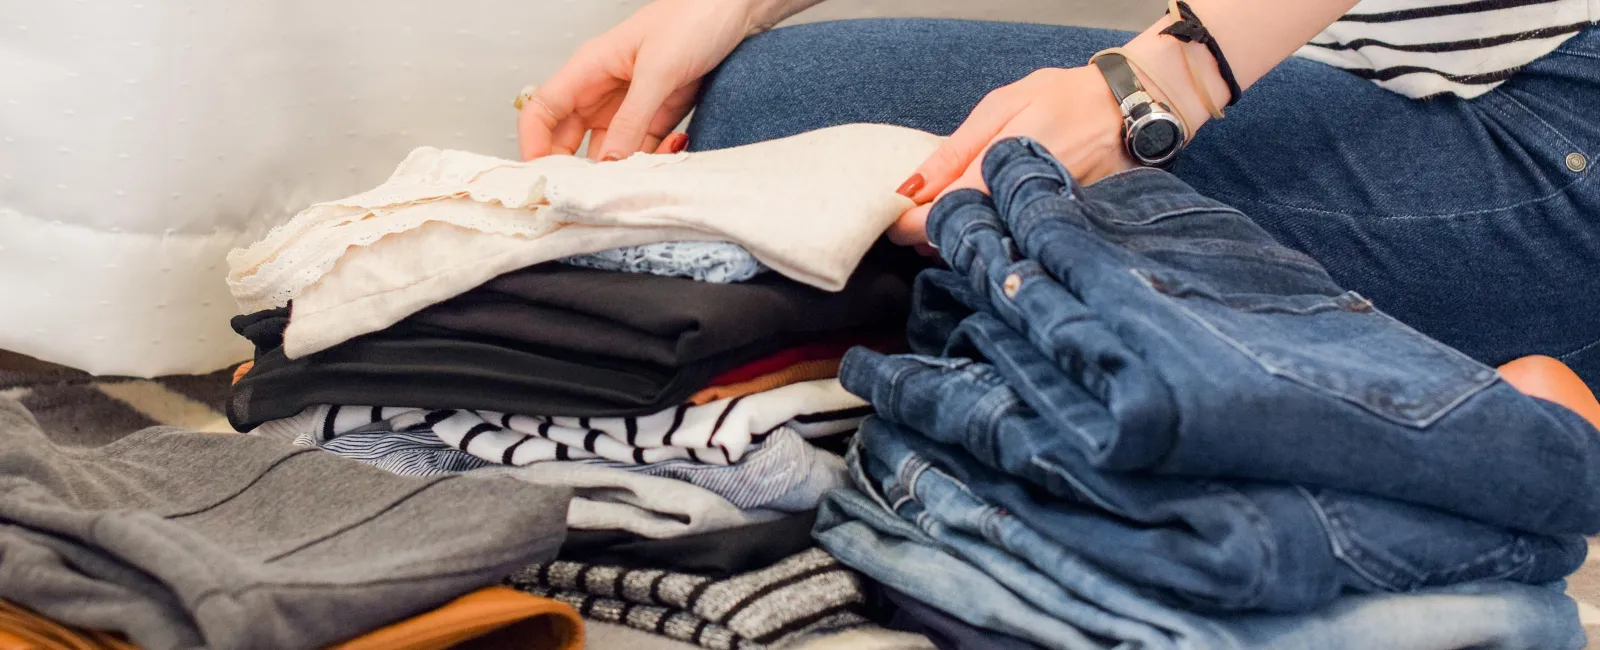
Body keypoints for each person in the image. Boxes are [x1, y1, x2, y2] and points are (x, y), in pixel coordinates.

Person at [515, 0, 1600, 393]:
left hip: (1545, 136)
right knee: (757, 94)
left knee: (774, 111)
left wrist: (1166, 80)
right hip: (1397, 89)